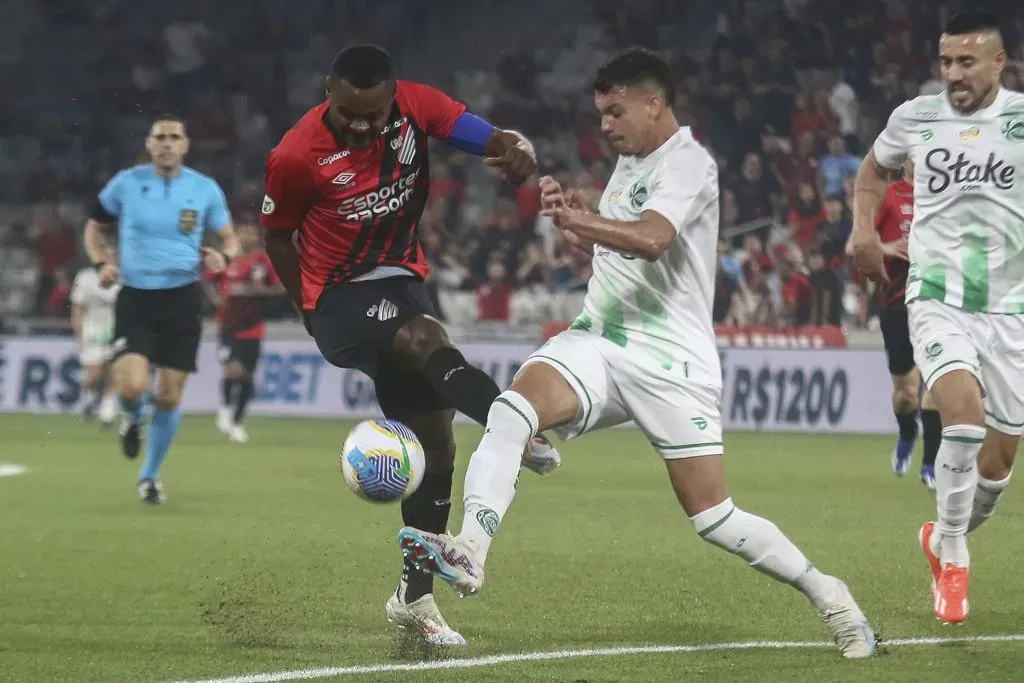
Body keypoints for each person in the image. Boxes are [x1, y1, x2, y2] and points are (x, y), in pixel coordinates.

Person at [397, 48, 875, 659]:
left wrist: (581, 219)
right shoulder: (630, 162)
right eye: (600, 113)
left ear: (654, 104)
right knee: (511, 408)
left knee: (715, 519)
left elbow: (652, 240)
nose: (605, 125)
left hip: (670, 361)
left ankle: (831, 596)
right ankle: (470, 550)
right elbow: (618, 253)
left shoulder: (689, 162)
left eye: (615, 111)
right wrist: (576, 222)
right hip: (598, 338)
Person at [260, 44, 561, 645]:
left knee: (436, 447)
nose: (364, 125)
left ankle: (413, 600)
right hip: (340, 296)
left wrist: (512, 150)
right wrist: (308, 309)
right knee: (425, 337)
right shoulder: (295, 154)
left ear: (392, 97)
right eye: (350, 113)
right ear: (329, 92)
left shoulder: (416, 106)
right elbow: (277, 238)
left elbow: (482, 134)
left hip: (400, 281)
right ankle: (512, 423)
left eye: (374, 114)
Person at [848, 12, 1024, 624]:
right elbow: (871, 171)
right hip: (936, 294)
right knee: (963, 419)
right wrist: (863, 229)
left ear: (999, 63)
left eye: (966, 62)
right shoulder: (915, 117)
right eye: (946, 62)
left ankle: (942, 532)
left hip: (1012, 309)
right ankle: (953, 558)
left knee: (996, 472)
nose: (952, 74)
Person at [83, 113, 238, 505]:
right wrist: (103, 263)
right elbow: (93, 227)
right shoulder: (126, 184)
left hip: (183, 299)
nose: (167, 143)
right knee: (133, 386)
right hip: (136, 297)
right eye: (160, 137)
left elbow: (230, 240)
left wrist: (223, 256)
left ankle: (149, 477)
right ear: (150, 145)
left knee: (168, 397)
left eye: (174, 137)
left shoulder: (204, 190)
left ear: (185, 145)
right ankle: (133, 418)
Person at [852, 161, 941, 489]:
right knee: (906, 396)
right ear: (906, 160)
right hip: (896, 304)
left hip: (938, 300)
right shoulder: (889, 196)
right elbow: (856, 244)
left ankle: (930, 465)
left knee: (936, 384)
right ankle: (907, 433)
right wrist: (886, 248)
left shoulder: (946, 194)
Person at [206, 223, 285, 443]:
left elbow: (279, 287)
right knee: (232, 370)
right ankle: (224, 408)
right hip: (228, 325)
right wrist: (214, 299)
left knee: (247, 376)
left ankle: (237, 422)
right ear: (237, 235)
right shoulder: (228, 258)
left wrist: (262, 291)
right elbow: (208, 280)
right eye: (243, 232)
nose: (247, 236)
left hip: (253, 327)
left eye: (251, 232)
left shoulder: (262, 261)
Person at [70, 263, 120, 427]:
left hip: (116, 328)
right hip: (92, 329)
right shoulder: (84, 276)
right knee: (94, 374)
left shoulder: (123, 275)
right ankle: (90, 398)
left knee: (113, 371)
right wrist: (79, 331)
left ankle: (108, 412)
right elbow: (77, 306)